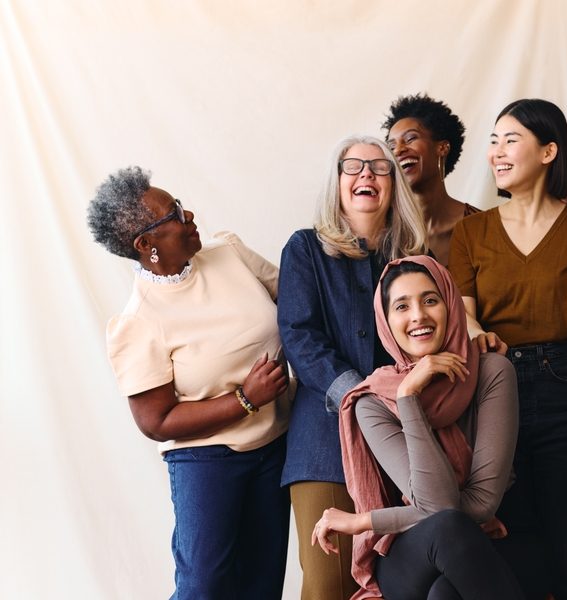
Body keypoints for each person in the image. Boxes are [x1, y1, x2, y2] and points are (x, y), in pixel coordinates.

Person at [88, 166, 291, 599]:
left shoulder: (229, 253)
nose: (190, 215)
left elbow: (296, 303)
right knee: (205, 586)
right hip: (206, 460)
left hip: (274, 446)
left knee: (262, 582)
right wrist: (244, 399)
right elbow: (156, 421)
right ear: (146, 244)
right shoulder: (138, 322)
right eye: (176, 214)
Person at [450, 98, 567, 599]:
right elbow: (460, 309)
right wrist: (477, 329)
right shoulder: (471, 231)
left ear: (549, 151)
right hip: (491, 387)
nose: (497, 152)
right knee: (508, 539)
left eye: (511, 140)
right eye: (493, 141)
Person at [312, 255, 527, 600]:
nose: (418, 316)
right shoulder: (372, 401)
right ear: (386, 321)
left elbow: (481, 503)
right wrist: (408, 393)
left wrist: (365, 522)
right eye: (401, 306)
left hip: (487, 540)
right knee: (448, 528)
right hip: (409, 554)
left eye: (430, 300)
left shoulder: (492, 372)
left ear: (450, 304)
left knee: (445, 593)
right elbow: (442, 508)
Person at [278, 136, 426, 600]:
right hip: (323, 443)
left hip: (401, 439)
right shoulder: (305, 249)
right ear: (337, 181)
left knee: (394, 584)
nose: (366, 175)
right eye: (354, 167)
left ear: (394, 184)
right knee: (328, 585)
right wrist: (357, 395)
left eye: (380, 168)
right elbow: (298, 335)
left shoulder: (413, 261)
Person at [383, 94, 479, 266]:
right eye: (391, 146)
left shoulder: (481, 225)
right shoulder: (383, 229)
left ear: (442, 148)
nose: (398, 150)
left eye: (410, 138)